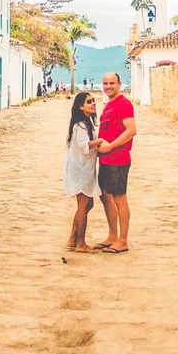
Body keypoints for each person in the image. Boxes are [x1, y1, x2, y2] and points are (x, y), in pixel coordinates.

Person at [95, 72, 137, 253]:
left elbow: (131, 130)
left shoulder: (123, 104)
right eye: (105, 83)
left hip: (118, 159)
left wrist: (110, 146)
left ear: (119, 83)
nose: (108, 86)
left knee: (120, 198)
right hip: (105, 159)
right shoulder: (109, 104)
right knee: (105, 196)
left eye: (112, 83)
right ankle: (112, 236)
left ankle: (123, 240)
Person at [64, 92, 103, 252]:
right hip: (80, 169)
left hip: (85, 167)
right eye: (89, 102)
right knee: (83, 204)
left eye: (93, 101)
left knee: (87, 204)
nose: (93, 103)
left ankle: (72, 238)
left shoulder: (86, 123)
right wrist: (99, 142)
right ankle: (80, 243)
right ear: (81, 107)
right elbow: (83, 146)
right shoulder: (79, 125)